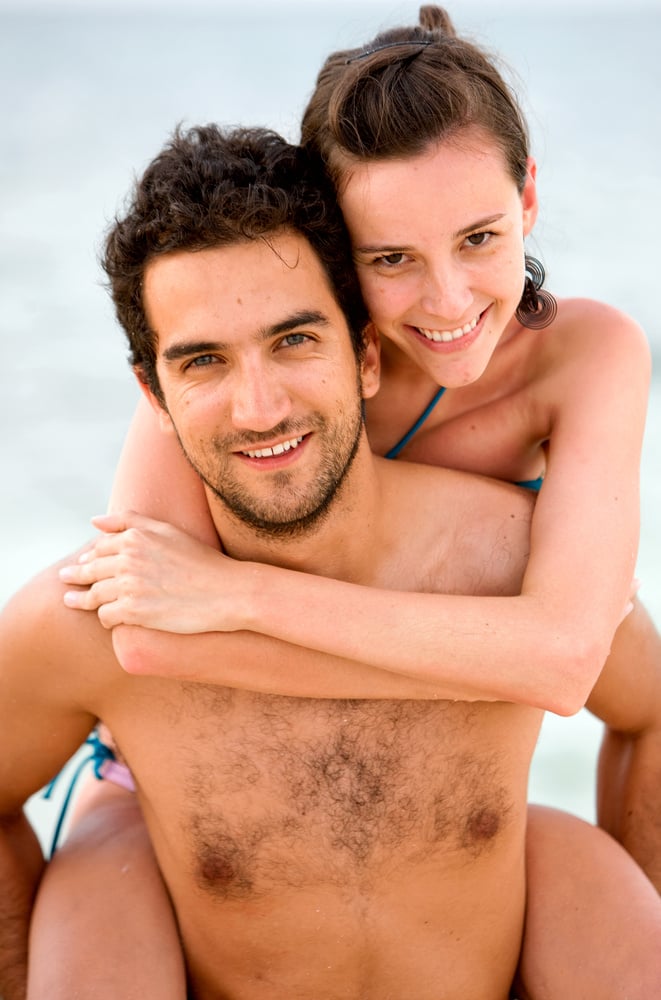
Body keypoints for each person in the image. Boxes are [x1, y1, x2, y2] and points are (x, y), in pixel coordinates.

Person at [1, 123, 658, 1000]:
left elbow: (648, 713)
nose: (259, 407)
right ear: (153, 394)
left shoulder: (514, 575)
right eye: (202, 361)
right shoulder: (95, 613)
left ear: (366, 355)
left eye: (295, 341)